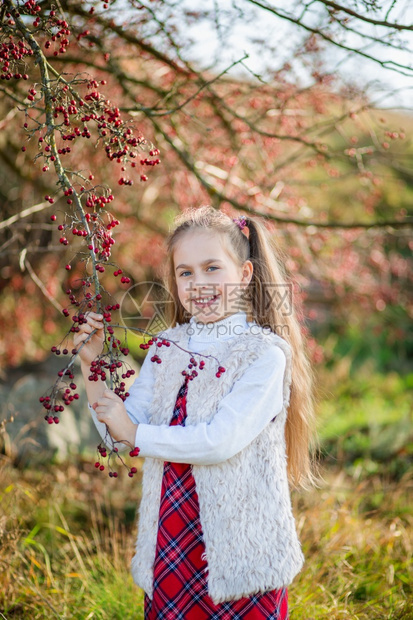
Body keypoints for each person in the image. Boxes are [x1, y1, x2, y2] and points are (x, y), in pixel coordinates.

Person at [74, 206, 316, 619]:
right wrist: (90, 365)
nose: (198, 283)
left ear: (244, 275)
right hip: (173, 535)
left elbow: (218, 442)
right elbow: (119, 432)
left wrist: (134, 433)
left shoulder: (262, 354)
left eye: (211, 268)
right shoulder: (167, 348)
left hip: (241, 546)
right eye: (185, 273)